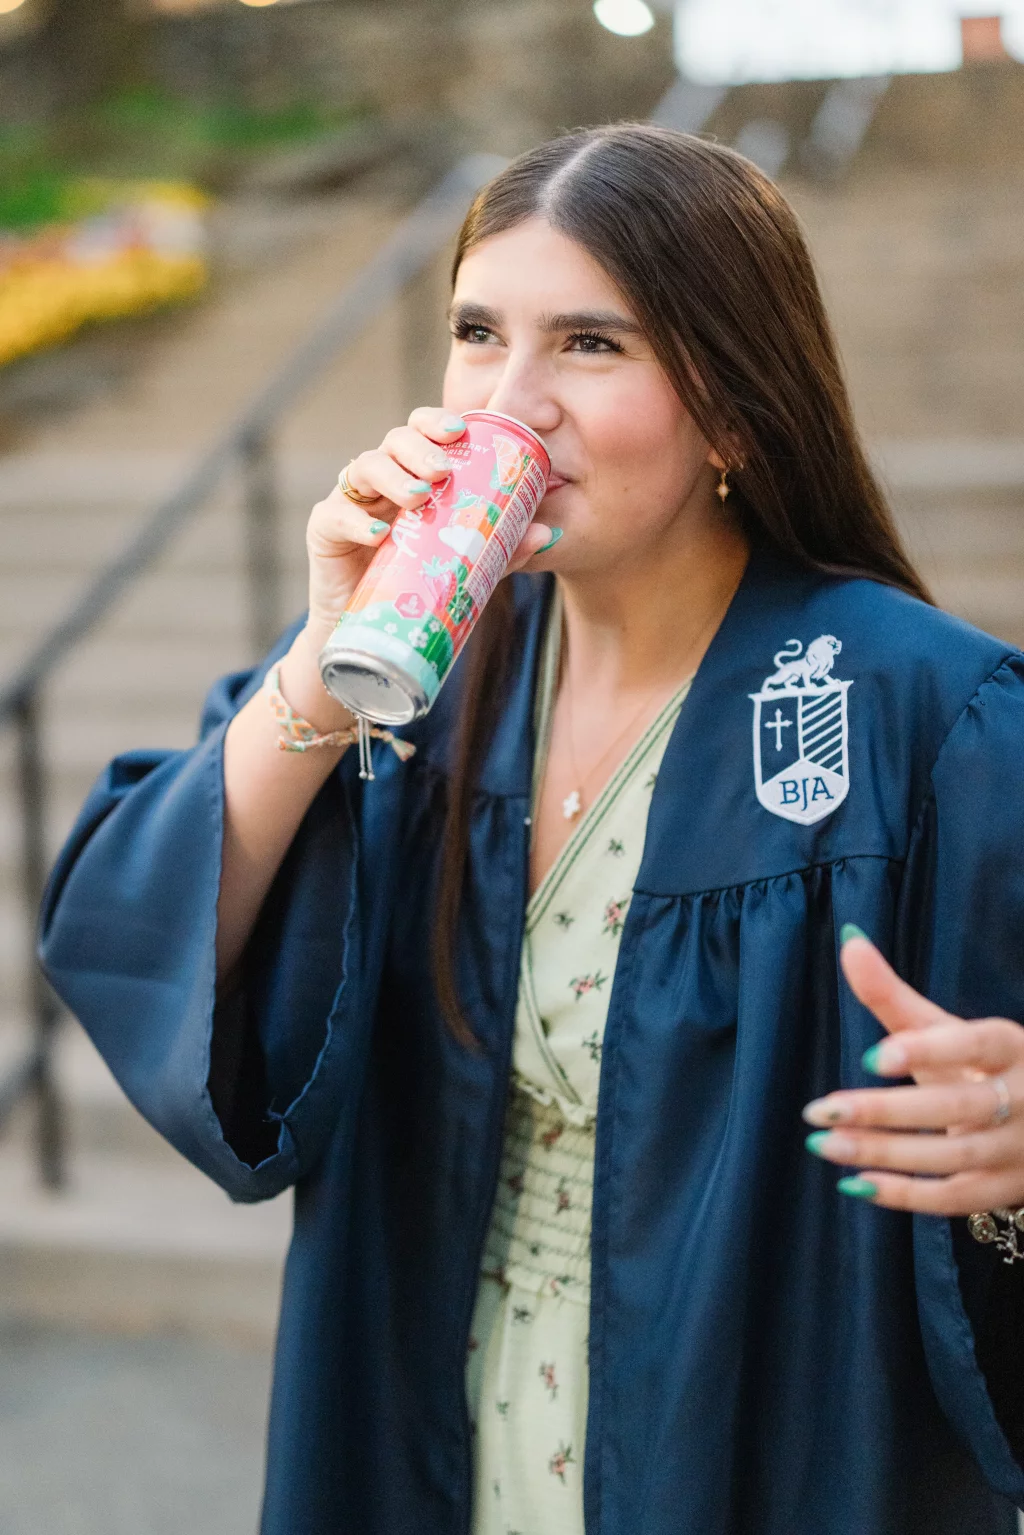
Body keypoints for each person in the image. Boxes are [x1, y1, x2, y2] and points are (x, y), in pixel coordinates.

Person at [39, 124, 1024, 1535]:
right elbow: (140, 927)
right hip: (433, 1431)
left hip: (744, 1445)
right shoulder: (417, 684)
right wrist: (320, 664)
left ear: (734, 407)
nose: (511, 403)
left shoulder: (922, 715)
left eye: (590, 345)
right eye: (477, 332)